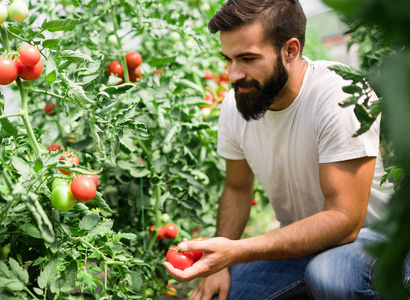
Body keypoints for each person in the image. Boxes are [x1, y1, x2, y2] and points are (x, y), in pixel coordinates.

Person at [164, 0, 410, 299]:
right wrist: (218, 265)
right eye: (227, 59)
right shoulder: (236, 105)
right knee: (223, 293)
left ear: (290, 50)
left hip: (376, 239)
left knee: (330, 274)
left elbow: (345, 221)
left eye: (247, 58)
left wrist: (237, 250)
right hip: (304, 243)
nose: (233, 74)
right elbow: (238, 188)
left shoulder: (339, 93)